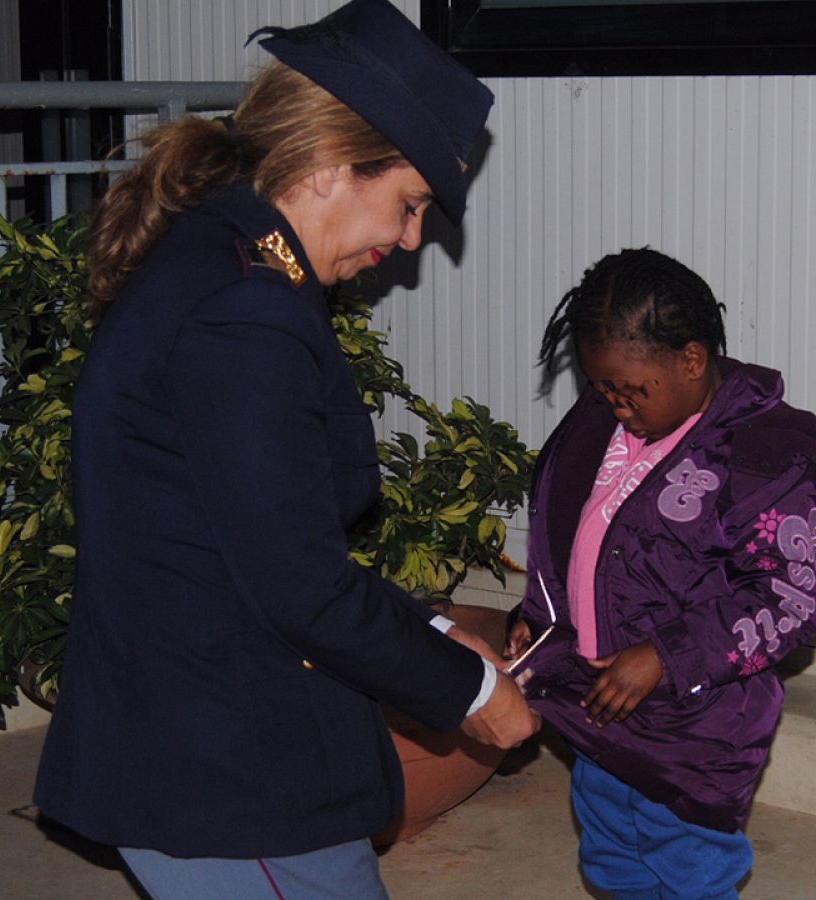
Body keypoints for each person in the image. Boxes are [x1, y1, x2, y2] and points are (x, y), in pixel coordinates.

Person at [32, 2, 539, 897]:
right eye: (410, 202)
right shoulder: (246, 312)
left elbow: (254, 537)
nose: (412, 239)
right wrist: (469, 689)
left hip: (206, 746)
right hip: (227, 772)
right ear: (334, 165)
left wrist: (433, 629)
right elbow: (300, 587)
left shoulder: (218, 260)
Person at [504, 248, 816, 899]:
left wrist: (667, 656)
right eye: (603, 387)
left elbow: (788, 602)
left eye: (630, 390)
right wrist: (538, 620)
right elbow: (571, 539)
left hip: (694, 726)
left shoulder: (761, 462)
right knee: (613, 854)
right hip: (597, 705)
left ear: (691, 361)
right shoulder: (604, 425)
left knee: (689, 862)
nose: (615, 404)